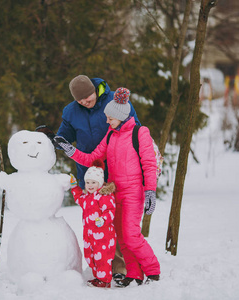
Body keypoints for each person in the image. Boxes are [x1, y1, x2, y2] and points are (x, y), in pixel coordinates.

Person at [54, 87, 161, 287]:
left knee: (131, 235)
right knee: (121, 235)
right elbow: (92, 158)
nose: (106, 121)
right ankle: (134, 274)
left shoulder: (140, 133)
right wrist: (71, 151)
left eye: (109, 118)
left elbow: (149, 164)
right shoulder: (111, 135)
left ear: (119, 116)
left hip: (133, 192)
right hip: (114, 192)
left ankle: (153, 271)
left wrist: (150, 191)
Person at [70, 159, 116, 288]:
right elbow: (79, 198)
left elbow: (110, 211)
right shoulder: (87, 197)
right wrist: (74, 186)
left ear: (100, 183)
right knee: (90, 256)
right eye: (88, 182)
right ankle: (98, 277)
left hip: (104, 235)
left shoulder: (104, 196)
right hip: (89, 234)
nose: (90, 185)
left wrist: (103, 219)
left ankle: (105, 280)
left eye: (93, 182)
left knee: (102, 258)